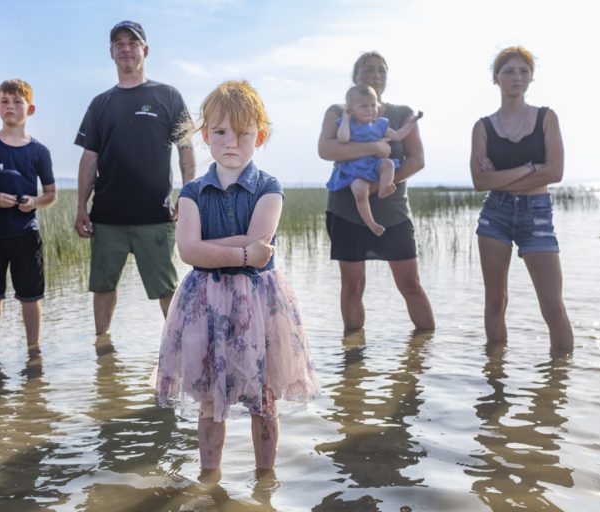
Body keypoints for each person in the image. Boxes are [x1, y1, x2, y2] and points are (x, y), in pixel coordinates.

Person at [154, 80, 320, 474]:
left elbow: (254, 236)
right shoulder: (192, 192)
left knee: (264, 398)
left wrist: (209, 246)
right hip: (206, 301)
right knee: (211, 400)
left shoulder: (269, 187)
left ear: (258, 137)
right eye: (221, 132)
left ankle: (266, 482)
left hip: (260, 303)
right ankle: (209, 480)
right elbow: (189, 251)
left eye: (243, 133)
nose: (231, 142)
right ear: (206, 135)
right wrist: (243, 253)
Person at [74, 20, 195, 337]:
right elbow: (89, 158)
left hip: (155, 216)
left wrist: (187, 195)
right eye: (119, 43)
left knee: (166, 290)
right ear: (111, 52)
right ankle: (103, 351)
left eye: (132, 42)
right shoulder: (100, 103)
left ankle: (177, 349)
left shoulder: (167, 96)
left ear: (145, 50)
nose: (126, 48)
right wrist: (80, 208)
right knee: (103, 287)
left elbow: (186, 149)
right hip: (107, 217)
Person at [318, 51, 434, 333]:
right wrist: (371, 148)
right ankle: (353, 363)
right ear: (355, 77)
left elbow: (416, 160)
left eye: (381, 70)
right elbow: (326, 149)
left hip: (392, 208)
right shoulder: (338, 111)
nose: (376, 75)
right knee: (353, 285)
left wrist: (375, 186)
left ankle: (424, 354)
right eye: (368, 70)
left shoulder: (399, 113)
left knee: (411, 284)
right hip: (346, 208)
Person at [470, 46, 573, 353]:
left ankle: (558, 387)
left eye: (524, 71)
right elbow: (480, 182)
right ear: (495, 78)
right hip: (495, 215)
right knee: (495, 302)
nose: (517, 77)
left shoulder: (546, 117)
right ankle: (495, 379)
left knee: (553, 306)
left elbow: (555, 172)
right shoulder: (483, 126)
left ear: (531, 78)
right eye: (509, 71)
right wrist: (529, 167)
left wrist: (501, 178)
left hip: (537, 214)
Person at [0, 79, 57, 353]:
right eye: (5, 102)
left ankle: (33, 352)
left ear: (30, 109)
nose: (11, 107)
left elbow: (51, 194)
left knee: (30, 298)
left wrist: (34, 201)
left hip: (26, 234)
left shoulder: (39, 152)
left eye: (17, 102)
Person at [329, 84, 423, 236]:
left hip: (374, 164)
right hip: (354, 169)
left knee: (388, 163)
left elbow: (399, 135)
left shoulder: (380, 125)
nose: (369, 109)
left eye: (373, 105)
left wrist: (412, 121)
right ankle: (371, 223)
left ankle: (384, 188)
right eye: (363, 106)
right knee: (360, 191)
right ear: (350, 110)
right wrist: (345, 119)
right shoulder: (348, 125)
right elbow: (343, 138)